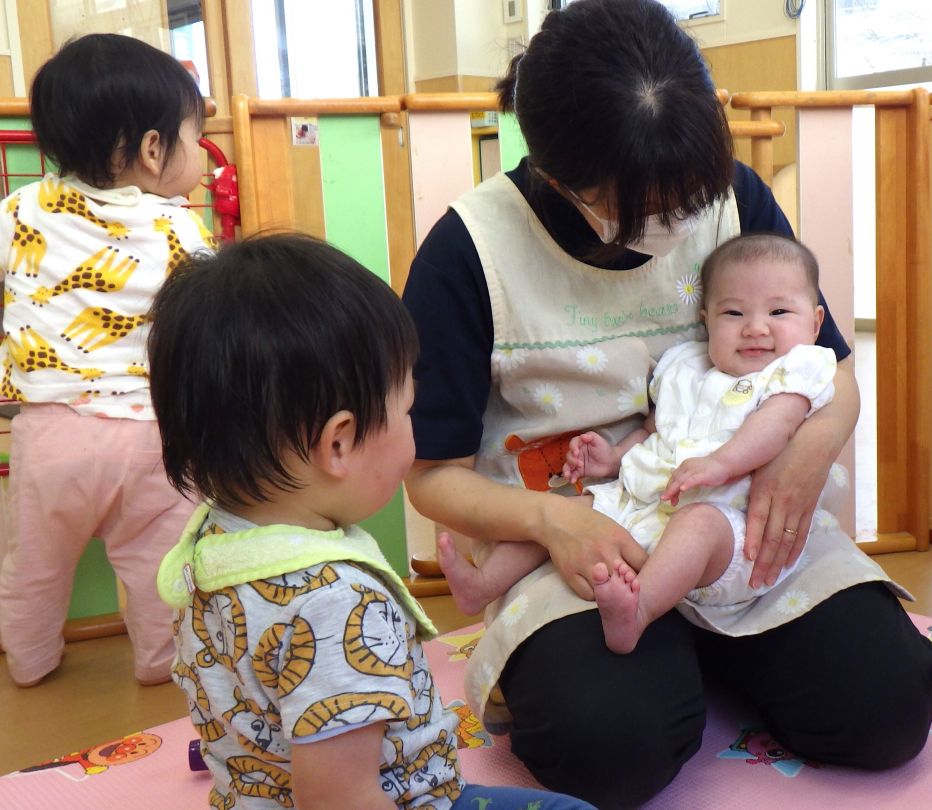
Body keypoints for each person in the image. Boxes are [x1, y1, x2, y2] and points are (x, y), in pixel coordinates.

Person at [401, 1, 932, 807]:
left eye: (687, 198)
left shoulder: (734, 197)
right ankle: (670, 656)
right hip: (583, 533)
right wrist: (552, 521)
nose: (675, 222)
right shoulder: (469, 249)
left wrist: (809, 446)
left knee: (888, 711)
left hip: (735, 517)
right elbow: (430, 473)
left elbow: (829, 371)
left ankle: (708, 644)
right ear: (556, 175)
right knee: (610, 750)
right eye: (642, 210)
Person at [148, 234, 596, 809]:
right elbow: (343, 800)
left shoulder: (209, 545)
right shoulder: (338, 604)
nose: (414, 429)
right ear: (339, 443)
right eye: (406, 411)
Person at [439, 234, 838, 655]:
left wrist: (722, 462)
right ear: (706, 319)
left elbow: (777, 426)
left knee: (698, 524)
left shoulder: (796, 369)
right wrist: (610, 459)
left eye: (778, 311)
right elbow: (653, 432)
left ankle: (639, 609)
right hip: (645, 508)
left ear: (814, 323)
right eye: (734, 312)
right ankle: (483, 585)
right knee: (569, 513)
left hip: (732, 527)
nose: (755, 327)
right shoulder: (686, 365)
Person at [0, 33, 216, 688]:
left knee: (33, 565)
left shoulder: (15, 213)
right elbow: (208, 324)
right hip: (156, 435)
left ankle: (31, 663)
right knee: (164, 566)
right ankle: (163, 666)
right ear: (153, 150)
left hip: (50, 433)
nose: (202, 155)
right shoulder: (179, 227)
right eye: (195, 138)